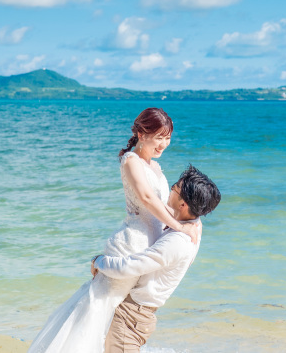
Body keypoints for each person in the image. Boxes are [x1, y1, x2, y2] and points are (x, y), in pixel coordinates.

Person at [27, 108, 199, 353]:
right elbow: (147, 198)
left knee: (117, 313)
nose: (164, 144)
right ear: (141, 134)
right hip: (132, 243)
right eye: (159, 137)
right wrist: (179, 226)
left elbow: (166, 205)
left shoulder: (156, 167)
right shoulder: (131, 160)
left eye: (168, 137)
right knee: (100, 306)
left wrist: (192, 224)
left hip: (151, 242)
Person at [91, 165, 221, 353]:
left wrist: (99, 261)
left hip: (130, 317)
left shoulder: (177, 242)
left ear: (183, 205)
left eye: (174, 188)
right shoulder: (193, 225)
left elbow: (129, 267)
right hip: (138, 315)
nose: (171, 190)